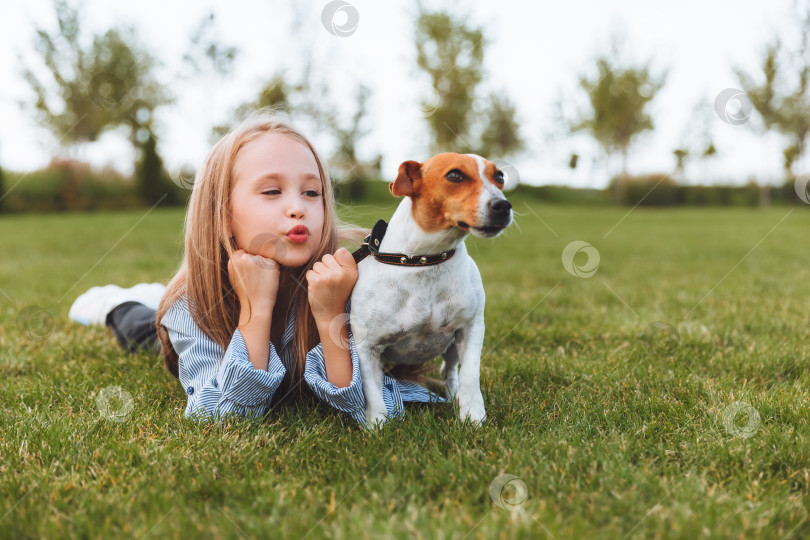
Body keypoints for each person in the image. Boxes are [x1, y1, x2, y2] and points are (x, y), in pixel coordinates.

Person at [69, 111, 445, 427]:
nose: (298, 207)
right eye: (271, 192)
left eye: (311, 193)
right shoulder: (190, 307)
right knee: (142, 327)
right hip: (194, 317)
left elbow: (370, 410)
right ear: (222, 212)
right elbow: (223, 415)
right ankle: (114, 302)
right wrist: (255, 311)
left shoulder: (347, 283)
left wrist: (330, 315)